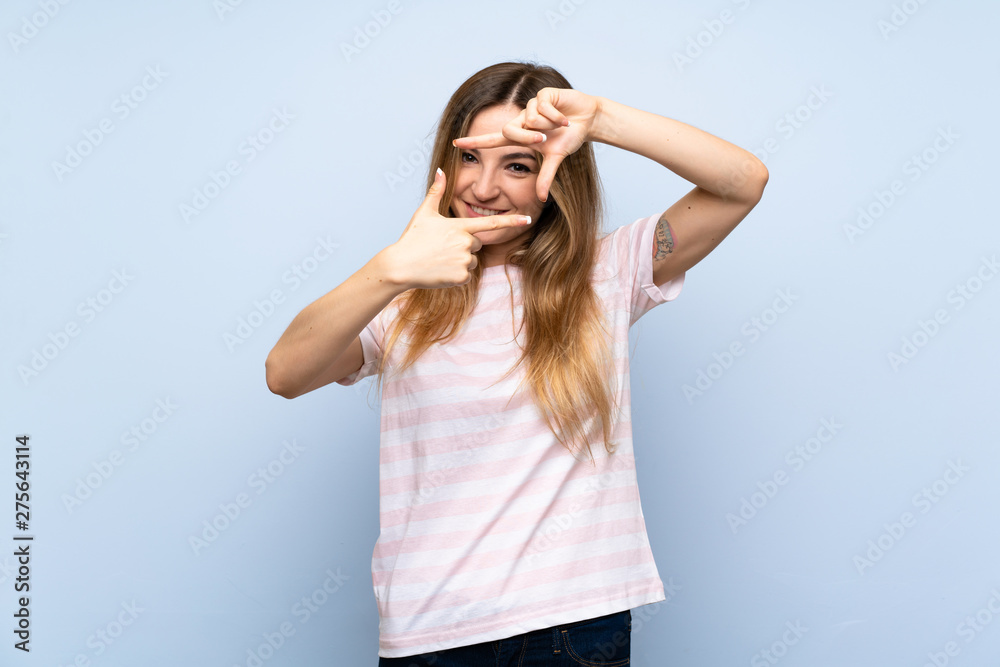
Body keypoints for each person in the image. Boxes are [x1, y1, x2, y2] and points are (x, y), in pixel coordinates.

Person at [265, 61, 767, 665]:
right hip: (433, 631)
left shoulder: (607, 275)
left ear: (555, 175)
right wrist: (388, 270)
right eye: (471, 159)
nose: (483, 187)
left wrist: (601, 118)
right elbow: (285, 374)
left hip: (572, 628)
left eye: (518, 164)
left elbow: (742, 181)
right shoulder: (401, 301)